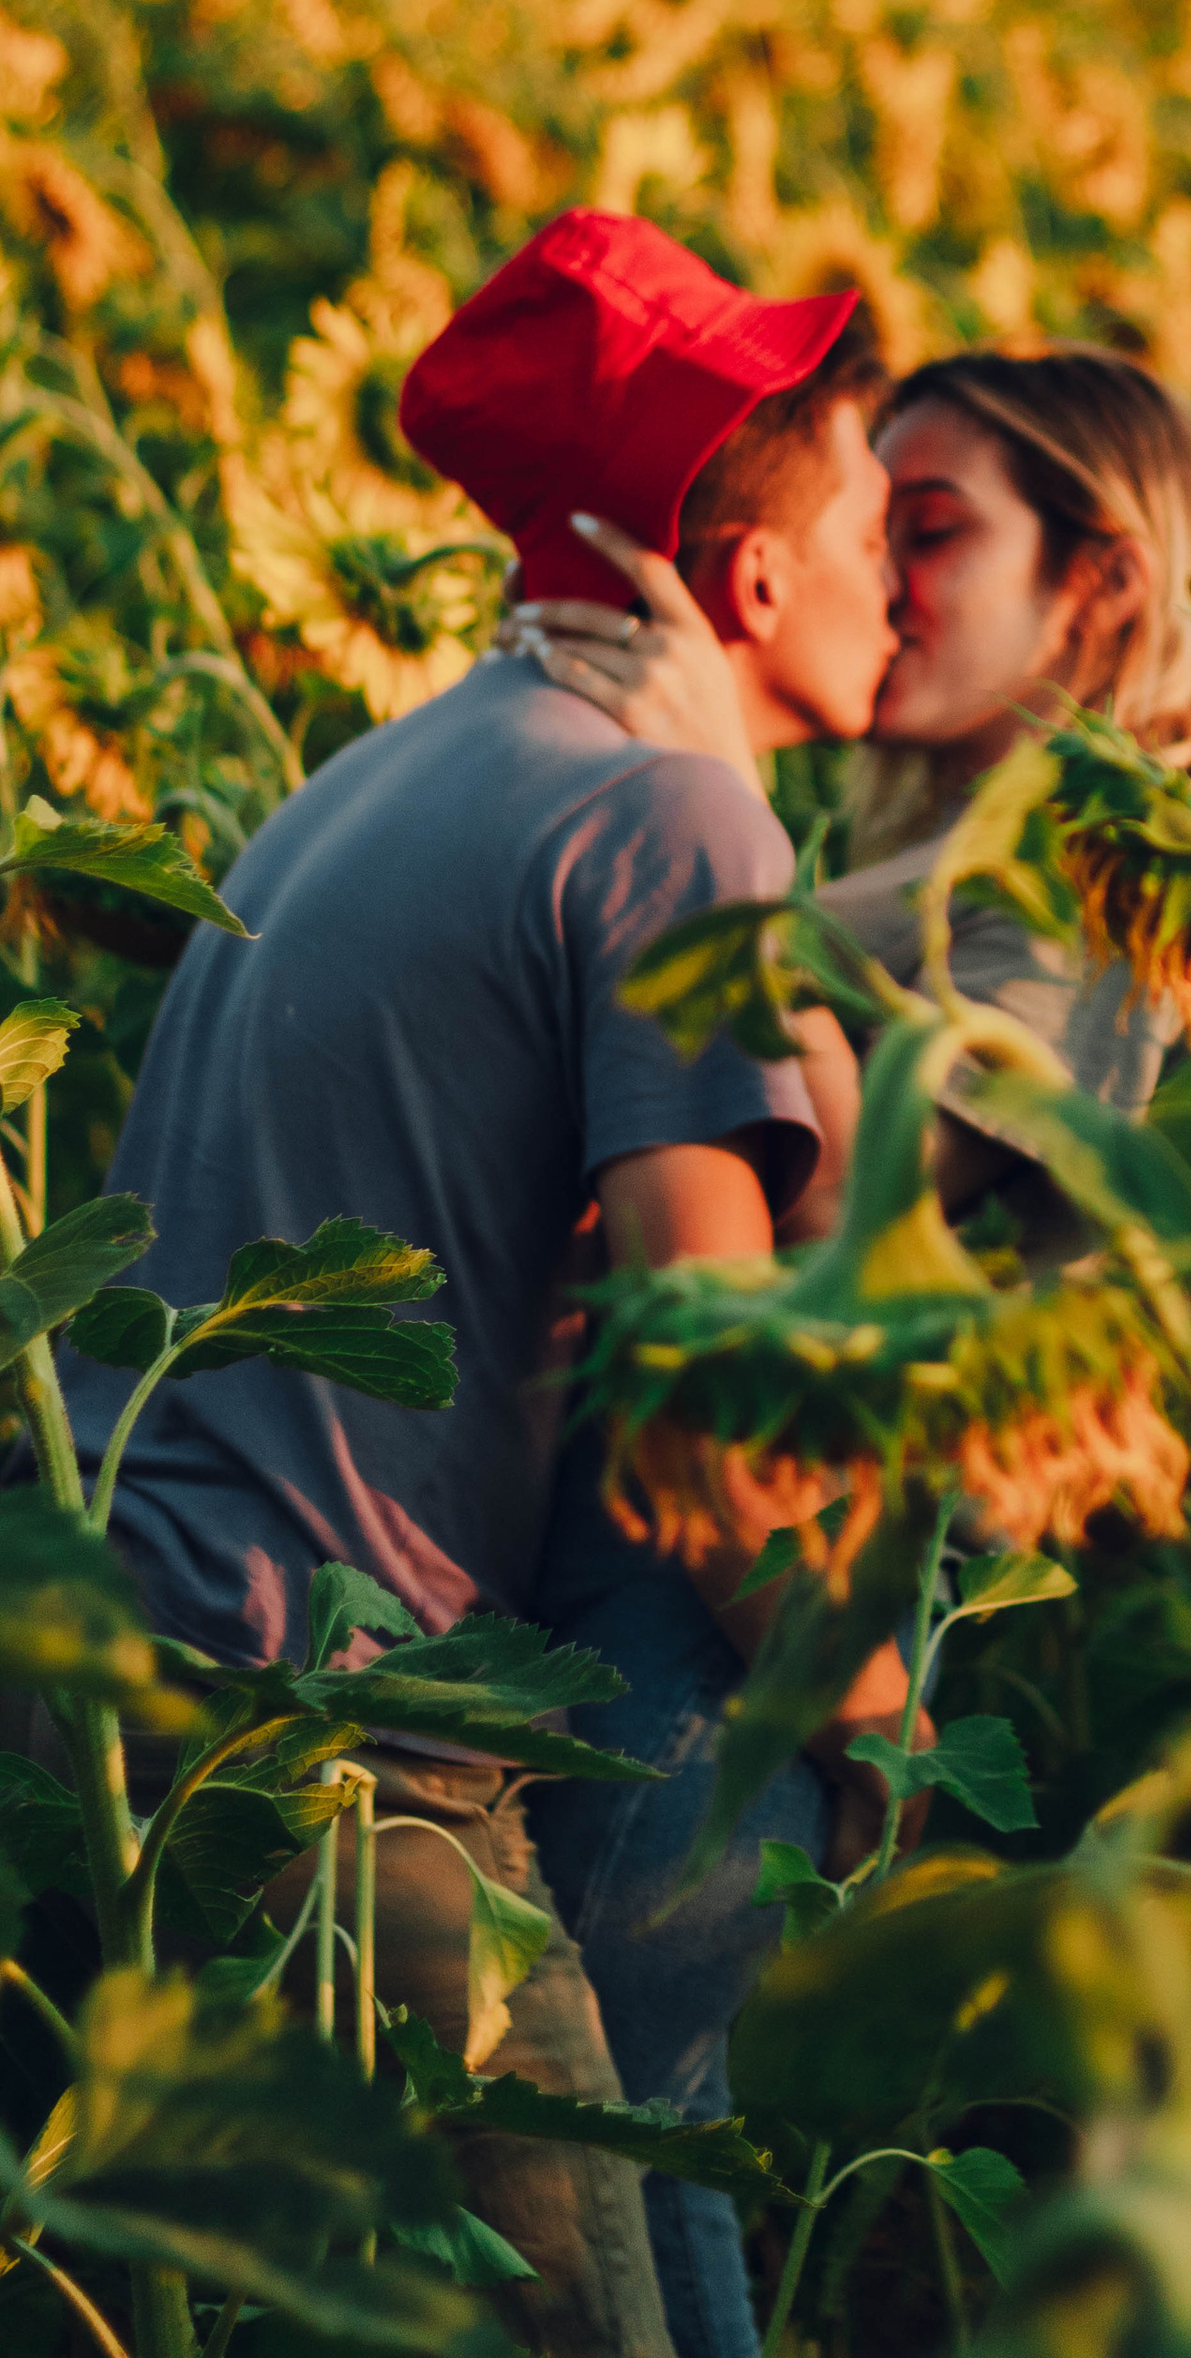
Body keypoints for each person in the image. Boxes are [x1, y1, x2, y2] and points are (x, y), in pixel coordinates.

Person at [57, 211, 912, 2358]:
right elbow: (722, 1409)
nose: (906, 577)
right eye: (883, 524)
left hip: (122, 1666)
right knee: (577, 2319)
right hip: (342, 1736)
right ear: (751, 583)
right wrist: (877, 1718)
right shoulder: (658, 828)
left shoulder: (405, 768)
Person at [503, 347, 1191, 2358]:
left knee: (608, 2185)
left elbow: (849, 1209)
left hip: (735, 1598)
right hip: (682, 1564)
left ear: (1097, 585)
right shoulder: (926, 878)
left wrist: (706, 815)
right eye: (878, 531)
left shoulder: (1097, 894)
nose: (891, 583)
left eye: (933, 534)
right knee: (613, 2172)